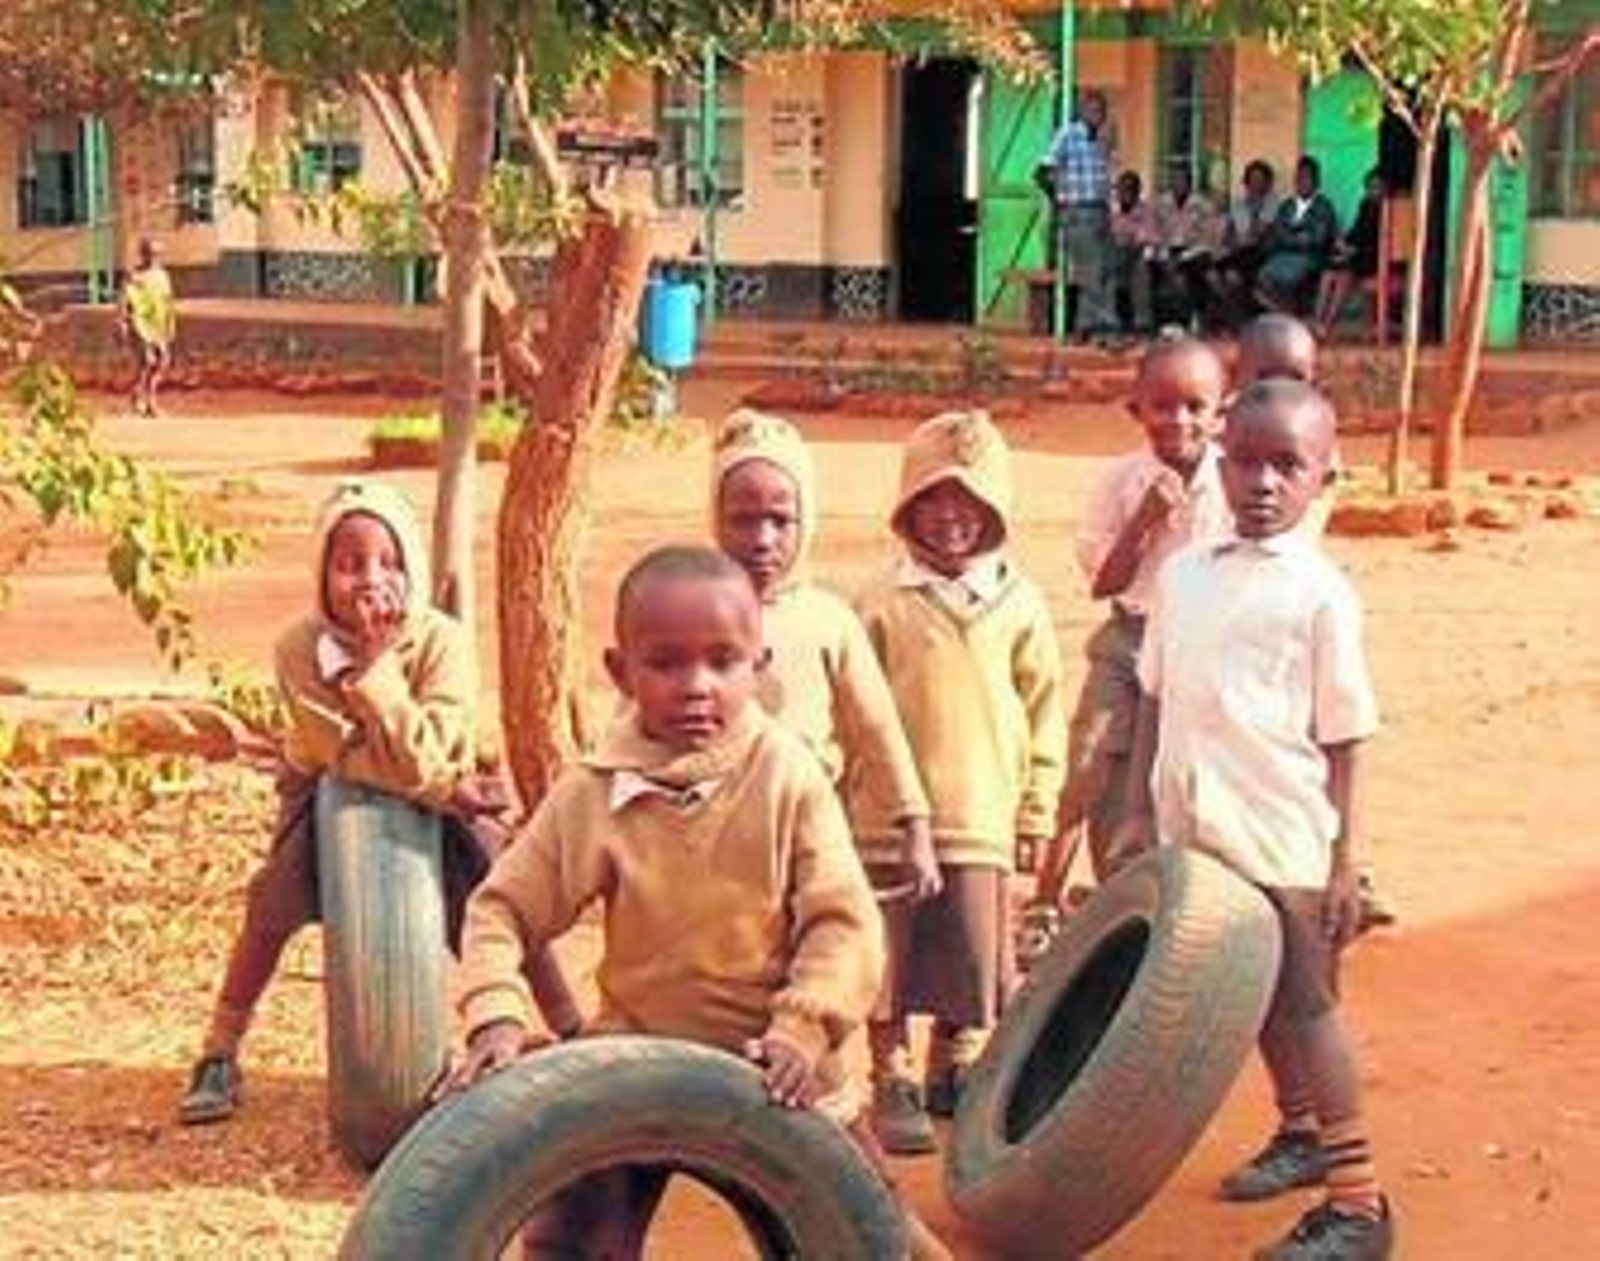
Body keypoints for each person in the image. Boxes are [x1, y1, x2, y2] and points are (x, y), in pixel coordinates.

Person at [448, 545, 948, 1259]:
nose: (697, 685)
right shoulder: (596, 791)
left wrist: (803, 1028)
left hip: (777, 1065)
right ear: (621, 671)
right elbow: (503, 907)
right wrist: (493, 1013)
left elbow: (845, 924)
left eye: (723, 660)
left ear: (760, 664)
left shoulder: (787, 776)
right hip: (637, 1055)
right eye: (666, 662)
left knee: (870, 1228)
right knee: (571, 1238)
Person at [178, 481, 579, 1125]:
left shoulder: (442, 640)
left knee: (495, 894)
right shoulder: (298, 648)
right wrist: (438, 781)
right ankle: (220, 1049)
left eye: (388, 562)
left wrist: (378, 670)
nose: (370, 580)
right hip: (332, 794)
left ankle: (566, 1023)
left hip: (451, 793)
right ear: (322, 575)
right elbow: (334, 752)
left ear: (412, 568)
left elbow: (436, 744)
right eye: (348, 564)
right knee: (272, 902)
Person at [1119, 379, 1395, 1260]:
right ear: (1220, 462)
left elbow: (1347, 735)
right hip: (1191, 833)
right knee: (1264, 1011)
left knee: (1307, 1008)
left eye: (1289, 465)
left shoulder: (1321, 593)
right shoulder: (1185, 574)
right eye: (1246, 461)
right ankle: (1302, 1135)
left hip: (1280, 839)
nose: (1264, 483)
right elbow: (1154, 702)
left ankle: (1359, 1205)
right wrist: (1135, 817)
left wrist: (1346, 858)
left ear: (1324, 476)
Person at [850, 411, 1066, 1154]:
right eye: (934, 502)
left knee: (974, 951)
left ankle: (957, 1055)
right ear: (907, 509)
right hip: (884, 817)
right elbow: (853, 708)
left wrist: (1037, 804)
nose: (951, 519)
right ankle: (892, 1070)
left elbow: (1045, 713)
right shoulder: (878, 600)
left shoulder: (1020, 604)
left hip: (982, 813)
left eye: (969, 504)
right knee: (887, 953)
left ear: (996, 513)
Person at [1024, 337, 1233, 957]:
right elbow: (1102, 582)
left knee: (1187, 775)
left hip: (1202, 646)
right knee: (1087, 761)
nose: (1180, 421)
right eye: (1163, 407)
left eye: (1196, 406)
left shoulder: (1234, 483)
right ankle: (1043, 896)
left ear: (1221, 412)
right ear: (1135, 410)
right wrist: (1144, 520)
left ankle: (1184, 904)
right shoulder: (1120, 480)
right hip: (1129, 638)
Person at [710, 408, 935, 890]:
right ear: (715, 518)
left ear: (805, 518)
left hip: (808, 838)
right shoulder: (689, 612)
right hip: (707, 843)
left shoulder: (828, 621)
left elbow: (877, 729)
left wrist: (914, 825)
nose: (762, 540)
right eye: (743, 521)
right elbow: (637, 725)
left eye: (780, 520)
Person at [1234, 315, 1399, 936]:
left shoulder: (1311, 444)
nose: (1280, 390)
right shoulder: (1222, 445)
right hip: (1217, 615)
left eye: (1296, 378)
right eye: (1264, 378)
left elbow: (1349, 738)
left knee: (1312, 743)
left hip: (1285, 617)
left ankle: (1339, 867)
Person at [1037, 89, 1117, 342]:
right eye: (1093, 110)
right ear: (1082, 112)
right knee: (1091, 269)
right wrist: (1060, 201)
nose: (1098, 115)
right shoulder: (1068, 135)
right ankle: (1105, 327)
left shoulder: (1104, 139)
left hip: (1100, 209)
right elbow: (1042, 171)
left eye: (1101, 111)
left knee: (1104, 269)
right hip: (1077, 210)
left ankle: (1084, 328)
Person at [1256, 157, 1340, 315]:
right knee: (1262, 277)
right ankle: (1286, 312)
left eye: (1306, 177)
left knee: (1288, 276)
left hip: (1310, 256)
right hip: (1282, 254)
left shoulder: (1324, 206)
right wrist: (1299, 233)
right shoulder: (1287, 205)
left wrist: (1291, 234)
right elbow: (1278, 232)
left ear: (1316, 182)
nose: (1301, 181)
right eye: (1299, 177)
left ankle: (1288, 313)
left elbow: (1317, 238)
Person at [1147, 165, 1224, 330]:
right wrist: (1164, 252)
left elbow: (1210, 237)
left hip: (1195, 251)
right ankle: (1164, 321)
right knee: (1153, 269)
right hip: (1165, 250)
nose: (1177, 183)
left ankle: (1193, 317)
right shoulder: (1159, 203)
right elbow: (1152, 231)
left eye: (1181, 179)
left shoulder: (1203, 204)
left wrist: (1184, 255)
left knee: (1196, 269)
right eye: (1173, 179)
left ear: (1190, 182)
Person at [1313, 170, 1386, 340]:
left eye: (1377, 187)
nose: (1372, 191)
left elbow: (1376, 240)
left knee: (1345, 274)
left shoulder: (1388, 208)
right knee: (1328, 270)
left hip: (1375, 257)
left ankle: (1328, 324)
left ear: (1385, 189)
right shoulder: (1366, 204)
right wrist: (1343, 242)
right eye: (1369, 187)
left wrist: (1353, 250)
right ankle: (1317, 320)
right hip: (1359, 254)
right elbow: (1357, 231)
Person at [1212, 159, 1281, 323]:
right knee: (1212, 275)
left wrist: (1255, 208)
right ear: (1245, 181)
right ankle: (1235, 316)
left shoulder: (1272, 203)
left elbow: (1258, 235)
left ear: (1268, 184)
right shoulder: (1237, 203)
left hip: (1259, 252)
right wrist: (1226, 243)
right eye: (1251, 179)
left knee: (1232, 277)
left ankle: (1240, 321)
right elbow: (1228, 233)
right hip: (1238, 251)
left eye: (1260, 180)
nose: (1255, 184)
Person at [117, 237, 177, 418]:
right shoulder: (134, 276)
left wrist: (170, 323)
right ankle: (141, 401)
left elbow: (168, 301)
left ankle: (148, 398)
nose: (153, 257)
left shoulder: (162, 275)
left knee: (162, 362)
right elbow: (124, 299)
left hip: (158, 324)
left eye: (156, 254)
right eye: (149, 253)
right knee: (147, 361)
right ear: (142, 254)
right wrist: (122, 322)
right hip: (139, 322)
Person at [1109, 170, 1156, 334]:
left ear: (1138, 192)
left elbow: (1144, 240)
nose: (1126, 193)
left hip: (1134, 257)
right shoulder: (1109, 211)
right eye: (1122, 189)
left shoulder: (1145, 211)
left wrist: (1126, 244)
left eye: (1131, 189)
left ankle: (1142, 323)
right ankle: (1106, 322)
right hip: (1112, 257)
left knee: (1140, 267)